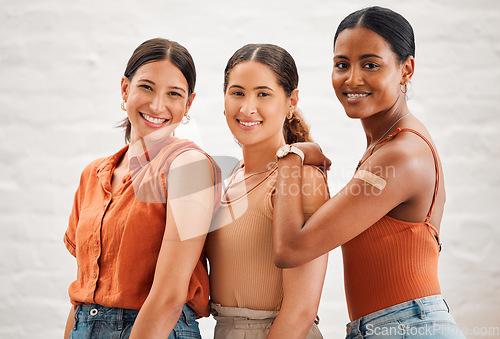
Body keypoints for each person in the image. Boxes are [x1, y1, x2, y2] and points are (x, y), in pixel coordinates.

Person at [272, 7, 465, 339]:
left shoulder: (401, 155)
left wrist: (291, 156)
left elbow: (291, 248)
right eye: (342, 65)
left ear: (407, 70)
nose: (352, 79)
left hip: (409, 328)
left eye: (370, 64)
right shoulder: (386, 147)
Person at [63, 38, 221, 339]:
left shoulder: (188, 167)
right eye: (146, 87)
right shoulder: (93, 175)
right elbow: (82, 291)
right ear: (125, 89)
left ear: (188, 104)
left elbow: (169, 296)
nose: (157, 105)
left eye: (174, 94)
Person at [206, 43, 329, 339]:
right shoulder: (231, 177)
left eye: (263, 94)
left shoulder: (301, 180)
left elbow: (300, 312)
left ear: (291, 102)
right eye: (237, 93)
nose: (247, 108)